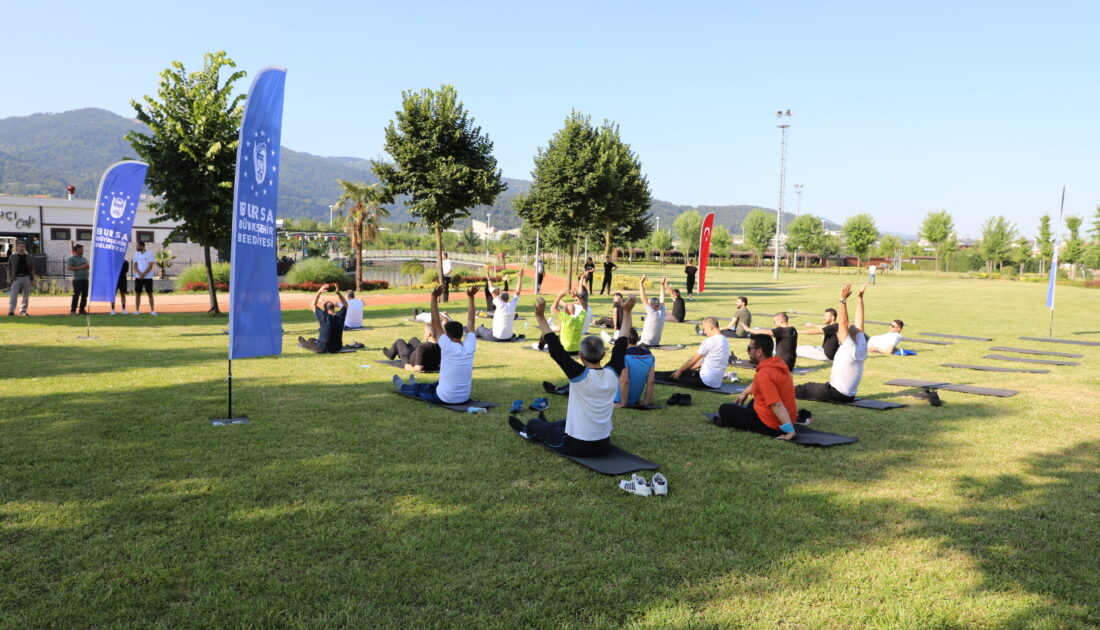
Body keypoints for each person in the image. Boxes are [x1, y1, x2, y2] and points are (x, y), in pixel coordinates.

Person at [509, 294, 635, 456]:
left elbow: (555, 348)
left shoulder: (579, 375)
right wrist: (627, 312)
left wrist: (540, 316)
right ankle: (548, 426)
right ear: (603, 355)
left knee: (533, 424)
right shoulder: (612, 374)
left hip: (575, 445)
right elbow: (621, 343)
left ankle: (527, 431)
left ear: (581, 356)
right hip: (603, 444)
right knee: (566, 421)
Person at [396, 284, 479, 404]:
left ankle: (404, 387)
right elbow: (471, 321)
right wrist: (471, 297)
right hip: (464, 397)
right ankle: (419, 385)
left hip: (445, 398)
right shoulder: (469, 346)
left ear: (448, 334)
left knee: (421, 390)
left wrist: (433, 298)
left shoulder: (448, 346)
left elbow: (435, 322)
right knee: (436, 384)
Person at [713, 334, 800, 440]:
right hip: (788, 418)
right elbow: (758, 383)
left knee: (724, 409)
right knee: (753, 401)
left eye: (749, 348)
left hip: (772, 425)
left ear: (759, 352)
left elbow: (776, 404)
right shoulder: (777, 364)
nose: (748, 352)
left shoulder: (764, 374)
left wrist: (790, 431)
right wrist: (744, 393)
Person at [795, 284, 869, 403]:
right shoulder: (861, 345)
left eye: (839, 333)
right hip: (848, 395)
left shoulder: (848, 347)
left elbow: (843, 323)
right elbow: (860, 323)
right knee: (813, 387)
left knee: (803, 388)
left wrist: (842, 300)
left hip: (836, 393)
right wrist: (859, 298)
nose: (838, 334)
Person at [655, 316, 729, 389]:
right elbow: (701, 362)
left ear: (710, 327)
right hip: (716, 382)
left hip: (704, 381)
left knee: (671, 376)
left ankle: (649, 376)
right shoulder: (725, 341)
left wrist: (679, 372)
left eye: (705, 329)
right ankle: (651, 374)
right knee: (678, 372)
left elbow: (692, 360)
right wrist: (684, 371)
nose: (704, 332)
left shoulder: (710, 341)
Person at [298, 283, 349, 353]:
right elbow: (346, 304)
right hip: (337, 347)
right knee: (314, 340)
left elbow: (313, 305)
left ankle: (302, 341)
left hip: (323, 348)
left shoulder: (324, 316)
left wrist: (319, 291)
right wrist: (338, 293)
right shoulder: (340, 316)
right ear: (333, 308)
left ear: (324, 310)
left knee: (310, 341)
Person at [476, 269, 524, 341]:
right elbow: (518, 291)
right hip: (508, 338)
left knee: (480, 329)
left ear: (501, 298)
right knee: (490, 329)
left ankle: (471, 333)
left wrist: (488, 278)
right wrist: (520, 277)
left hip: (496, 337)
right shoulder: (512, 304)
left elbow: (492, 290)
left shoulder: (500, 304)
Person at [615, 326, 656, 407]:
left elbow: (625, 381)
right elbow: (651, 382)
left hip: (618, 399)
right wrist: (646, 401)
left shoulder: (623, 355)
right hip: (635, 400)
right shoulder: (649, 355)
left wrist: (623, 404)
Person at [541, 287, 588, 355]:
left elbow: (553, 308)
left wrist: (559, 296)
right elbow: (585, 308)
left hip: (564, 350)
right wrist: (577, 295)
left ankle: (539, 346)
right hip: (576, 350)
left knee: (545, 334)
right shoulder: (580, 319)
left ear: (565, 312)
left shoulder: (566, 318)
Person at [638, 275, 668, 348]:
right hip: (656, 343)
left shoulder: (652, 313)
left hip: (646, 343)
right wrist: (662, 285)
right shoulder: (662, 313)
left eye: (649, 303)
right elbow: (662, 301)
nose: (648, 303)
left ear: (653, 306)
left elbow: (643, 298)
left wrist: (641, 283)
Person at [7, 242, 34, 316]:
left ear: (25, 248)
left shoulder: (28, 257)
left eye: (23, 246)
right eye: (20, 246)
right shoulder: (12, 257)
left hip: (26, 277)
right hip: (16, 278)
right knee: (13, 294)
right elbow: (9, 269)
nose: (22, 248)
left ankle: (23, 311)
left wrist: (33, 279)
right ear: (17, 248)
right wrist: (9, 278)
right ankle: (11, 311)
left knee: (26, 294)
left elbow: (32, 269)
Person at [132, 240, 157, 316]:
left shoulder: (149, 254)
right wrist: (140, 274)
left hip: (148, 278)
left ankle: (152, 311)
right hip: (138, 278)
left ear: (142, 246)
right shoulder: (136, 254)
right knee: (138, 294)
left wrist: (144, 274)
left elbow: (150, 266)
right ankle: (137, 311)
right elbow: (135, 265)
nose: (136, 247)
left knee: (150, 294)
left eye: (138, 246)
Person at [67, 244, 89, 315]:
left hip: (85, 279)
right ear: (76, 250)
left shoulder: (84, 258)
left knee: (84, 295)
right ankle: (73, 310)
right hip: (77, 280)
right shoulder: (72, 259)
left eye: (82, 249)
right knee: (76, 295)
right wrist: (82, 267)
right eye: (81, 249)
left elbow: (87, 267)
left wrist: (87, 267)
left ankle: (82, 309)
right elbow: (69, 268)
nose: (82, 251)